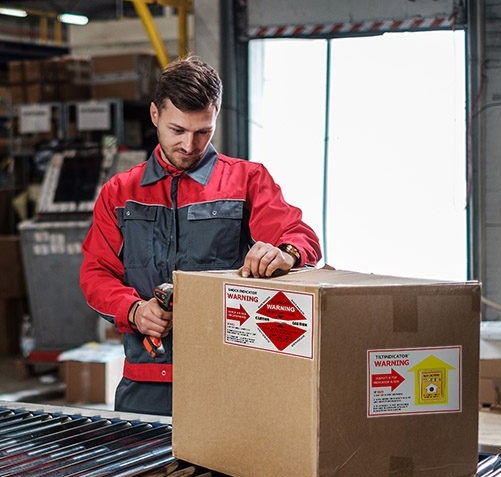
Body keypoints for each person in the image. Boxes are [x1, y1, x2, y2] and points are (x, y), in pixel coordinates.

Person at [79, 56, 322, 416]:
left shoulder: (248, 181)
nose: (190, 145)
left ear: (215, 117)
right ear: (155, 115)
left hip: (228, 384)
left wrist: (285, 253)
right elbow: (96, 273)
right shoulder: (119, 193)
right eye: (177, 130)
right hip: (146, 384)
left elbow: (300, 237)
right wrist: (134, 310)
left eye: (202, 132)